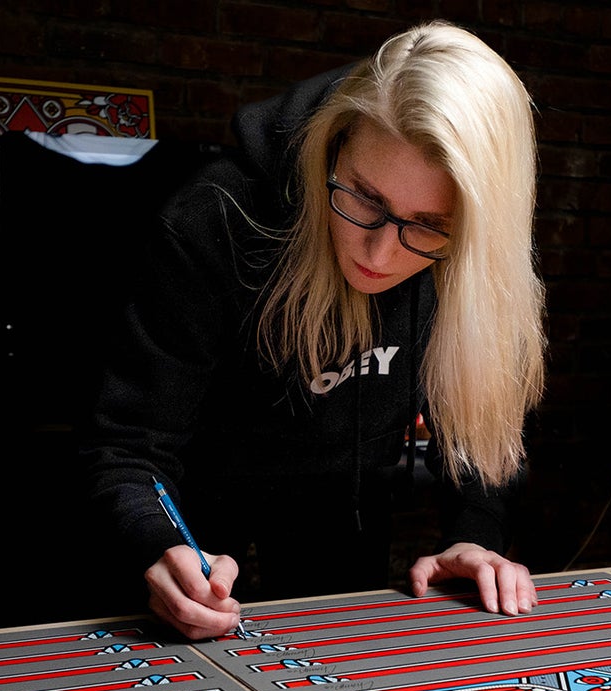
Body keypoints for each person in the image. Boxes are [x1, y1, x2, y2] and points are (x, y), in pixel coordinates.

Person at [81, 21, 545, 640]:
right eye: (364, 199)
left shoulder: (475, 254)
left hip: (343, 515)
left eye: (428, 225)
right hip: (191, 522)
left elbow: (485, 428)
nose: (379, 255)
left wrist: (474, 537)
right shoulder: (215, 219)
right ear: (331, 147)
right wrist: (156, 545)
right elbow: (129, 445)